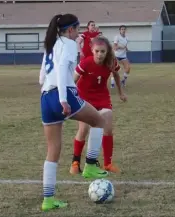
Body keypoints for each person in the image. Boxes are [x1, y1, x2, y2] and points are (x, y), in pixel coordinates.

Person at [39, 14, 109, 211]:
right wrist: (62, 98)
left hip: (45, 96)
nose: (78, 33)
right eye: (77, 29)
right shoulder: (68, 44)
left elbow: (42, 74)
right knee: (99, 121)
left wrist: (47, 92)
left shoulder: (51, 44)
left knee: (52, 150)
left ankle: (48, 200)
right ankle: (91, 165)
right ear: (70, 30)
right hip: (62, 94)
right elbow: (62, 69)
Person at [69, 36, 127, 175]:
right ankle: (75, 162)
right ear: (92, 50)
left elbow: (117, 76)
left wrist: (121, 93)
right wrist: (71, 99)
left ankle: (107, 163)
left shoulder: (111, 62)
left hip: (102, 97)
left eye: (103, 51)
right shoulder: (85, 63)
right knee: (83, 129)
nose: (100, 54)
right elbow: (72, 81)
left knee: (108, 128)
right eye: (97, 51)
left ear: (107, 52)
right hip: (84, 97)